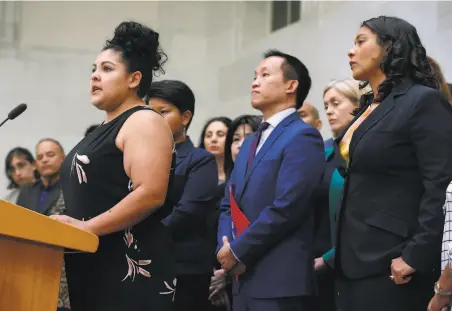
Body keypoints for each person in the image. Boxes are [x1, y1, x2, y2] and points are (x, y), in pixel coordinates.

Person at [50, 21, 175, 311]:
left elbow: (150, 193)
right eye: (93, 69)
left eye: (106, 69)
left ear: (134, 79)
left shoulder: (143, 121)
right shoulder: (102, 129)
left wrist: (85, 229)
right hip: (93, 262)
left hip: (129, 267)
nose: (95, 77)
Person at [335, 16, 452, 311]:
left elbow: (439, 183)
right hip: (351, 257)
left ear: (390, 46)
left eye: (361, 42)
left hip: (394, 259)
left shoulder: (422, 101)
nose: (351, 51)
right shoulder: (369, 107)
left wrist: (416, 254)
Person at [217, 49, 325, 311]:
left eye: (265, 75)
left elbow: (288, 206)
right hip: (241, 278)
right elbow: (227, 204)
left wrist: (239, 250)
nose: (255, 82)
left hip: (279, 279)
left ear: (291, 85)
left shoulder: (303, 136)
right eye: (255, 76)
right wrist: (225, 246)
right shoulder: (249, 143)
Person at [148, 79, 219, 311]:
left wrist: (143, 238)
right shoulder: (139, 157)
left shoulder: (200, 160)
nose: (154, 120)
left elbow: (187, 212)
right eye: (150, 113)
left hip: (184, 266)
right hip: (144, 263)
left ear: (185, 117)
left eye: (163, 112)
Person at [308, 79, 361, 311]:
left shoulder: (365, 149)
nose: (329, 110)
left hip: (348, 260)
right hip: (313, 261)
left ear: (358, 105)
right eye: (326, 104)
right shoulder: (324, 152)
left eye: (336, 103)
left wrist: (329, 258)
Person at [199, 117, 232, 185]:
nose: (213, 139)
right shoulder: (194, 173)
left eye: (220, 135)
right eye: (208, 135)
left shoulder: (240, 175)